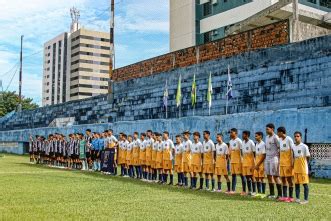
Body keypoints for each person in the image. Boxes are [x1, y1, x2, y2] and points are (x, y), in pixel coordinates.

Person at [277, 127, 295, 202]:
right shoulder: (280, 140)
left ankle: (291, 197)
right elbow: (280, 151)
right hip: (282, 163)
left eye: (278, 132)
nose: (277, 134)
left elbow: (293, 151)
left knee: (289, 180)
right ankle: (284, 196)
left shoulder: (289, 139)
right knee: (283, 179)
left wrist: (292, 163)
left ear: (281, 132)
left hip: (288, 164)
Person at [265, 123, 282, 199]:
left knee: (275, 176)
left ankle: (280, 195)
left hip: (274, 159)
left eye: (267, 129)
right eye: (266, 129)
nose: (266, 130)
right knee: (268, 176)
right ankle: (272, 194)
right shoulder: (266, 137)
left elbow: (280, 148)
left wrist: (278, 158)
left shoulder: (276, 137)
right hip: (267, 158)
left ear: (272, 129)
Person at [292, 131, 310, 204]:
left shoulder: (304, 146)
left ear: (300, 137)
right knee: (296, 184)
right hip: (296, 168)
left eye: (298, 136)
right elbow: (293, 156)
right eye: (295, 136)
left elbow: (308, 157)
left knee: (305, 184)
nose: (296, 138)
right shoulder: (293, 146)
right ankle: (297, 198)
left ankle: (306, 200)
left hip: (303, 168)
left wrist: (305, 164)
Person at [229, 128, 246, 195]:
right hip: (233, 160)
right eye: (230, 132)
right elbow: (230, 150)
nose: (230, 134)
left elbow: (242, 151)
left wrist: (242, 160)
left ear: (235, 133)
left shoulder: (239, 141)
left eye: (231, 132)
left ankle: (244, 191)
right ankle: (233, 190)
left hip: (239, 161)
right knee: (233, 175)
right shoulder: (230, 141)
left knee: (242, 175)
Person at [241, 130, 256, 196]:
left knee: (252, 176)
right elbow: (242, 152)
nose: (242, 136)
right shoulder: (243, 142)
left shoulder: (251, 142)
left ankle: (254, 191)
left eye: (243, 134)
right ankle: (249, 191)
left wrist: (254, 162)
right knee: (247, 176)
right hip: (245, 162)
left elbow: (254, 153)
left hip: (250, 162)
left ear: (247, 135)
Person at [253, 132, 267, 198]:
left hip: (261, 163)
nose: (255, 137)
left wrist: (258, 164)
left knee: (262, 178)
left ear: (260, 136)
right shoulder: (256, 144)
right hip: (257, 163)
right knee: (257, 177)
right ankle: (259, 192)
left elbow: (264, 155)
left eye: (256, 136)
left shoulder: (263, 144)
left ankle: (263, 193)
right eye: (255, 136)